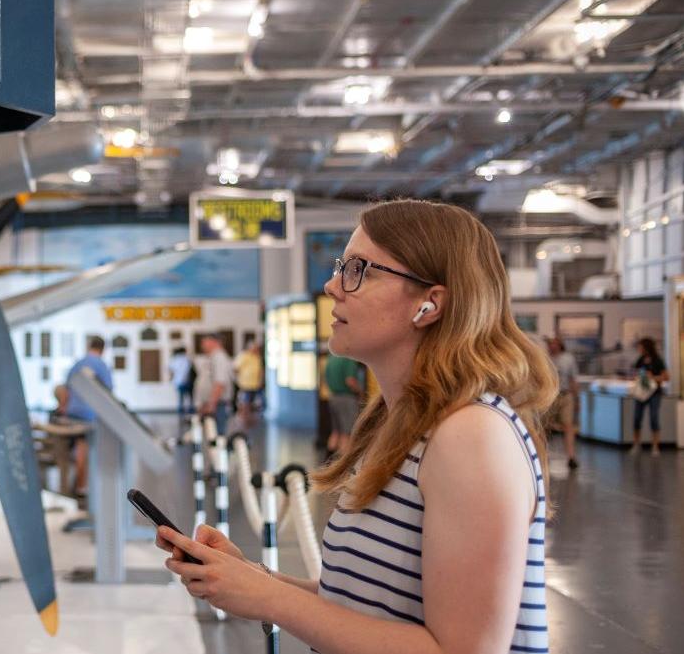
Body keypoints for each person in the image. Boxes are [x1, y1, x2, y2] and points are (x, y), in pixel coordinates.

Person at [154, 200, 557, 654]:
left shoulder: (471, 435)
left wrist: (271, 598)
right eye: (342, 267)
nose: (332, 286)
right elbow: (365, 607)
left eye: (360, 270)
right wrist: (251, 579)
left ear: (430, 304)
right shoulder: (403, 423)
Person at [64, 337, 112, 497]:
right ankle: (81, 487)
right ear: (103, 349)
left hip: (73, 412)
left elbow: (66, 388)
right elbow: (108, 392)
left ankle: (78, 484)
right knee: (84, 451)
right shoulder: (102, 365)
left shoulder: (78, 364)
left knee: (79, 447)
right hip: (89, 415)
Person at [545, 336, 580, 468]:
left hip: (566, 395)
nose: (552, 346)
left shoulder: (568, 359)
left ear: (560, 345)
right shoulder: (544, 359)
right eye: (550, 343)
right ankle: (544, 455)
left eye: (555, 343)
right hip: (549, 397)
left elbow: (573, 379)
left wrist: (577, 399)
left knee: (568, 426)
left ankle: (571, 457)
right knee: (545, 428)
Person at [631, 337, 669, 456]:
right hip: (641, 393)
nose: (639, 349)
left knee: (654, 418)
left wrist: (652, 377)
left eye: (640, 347)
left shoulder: (658, 360)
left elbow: (666, 377)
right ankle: (636, 444)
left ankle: (655, 446)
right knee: (637, 418)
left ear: (646, 347)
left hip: (654, 393)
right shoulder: (641, 359)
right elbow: (634, 372)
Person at [323, 353, 363, 455]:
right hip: (346, 398)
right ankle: (343, 465)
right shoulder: (348, 359)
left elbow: (325, 379)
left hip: (333, 397)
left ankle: (327, 463)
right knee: (347, 433)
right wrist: (361, 392)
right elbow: (350, 381)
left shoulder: (331, 358)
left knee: (336, 431)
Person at [195, 335, 234, 435]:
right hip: (212, 404)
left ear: (214, 342)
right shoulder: (212, 357)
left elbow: (220, 382)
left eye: (204, 342)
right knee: (211, 434)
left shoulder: (219, 357)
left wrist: (211, 405)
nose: (202, 345)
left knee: (218, 436)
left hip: (217, 405)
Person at [234, 341, 265, 429]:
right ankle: (243, 419)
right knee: (244, 402)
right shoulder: (244, 356)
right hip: (245, 385)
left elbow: (260, 370)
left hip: (255, 385)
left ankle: (250, 419)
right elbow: (236, 368)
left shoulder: (257, 357)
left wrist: (261, 381)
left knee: (254, 403)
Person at [168, 348, 194, 416]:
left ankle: (181, 412)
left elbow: (171, 369)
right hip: (187, 381)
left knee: (181, 397)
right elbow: (189, 369)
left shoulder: (174, 360)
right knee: (190, 397)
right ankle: (190, 411)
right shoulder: (187, 359)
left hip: (179, 381)